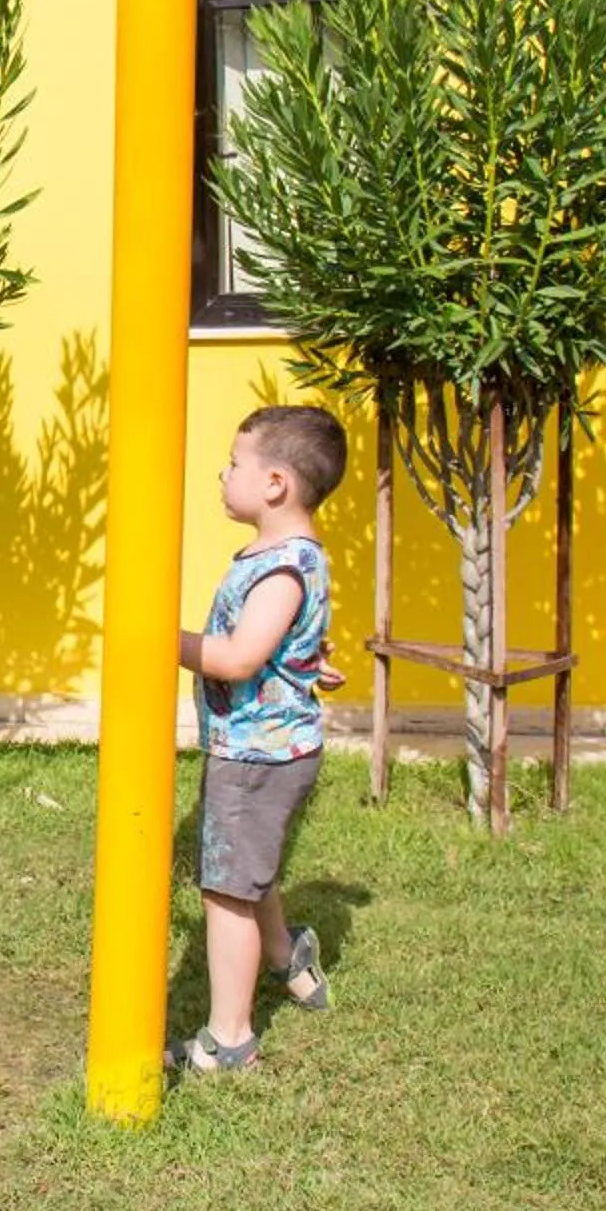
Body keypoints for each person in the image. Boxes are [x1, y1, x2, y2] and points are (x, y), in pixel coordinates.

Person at [171, 403, 347, 1074]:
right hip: (262, 750)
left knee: (226, 891)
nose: (223, 473)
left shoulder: (280, 568)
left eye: (234, 463)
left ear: (275, 483)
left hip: (258, 756)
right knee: (246, 867)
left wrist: (162, 637)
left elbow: (242, 657)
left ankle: (230, 1037)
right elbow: (283, 649)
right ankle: (286, 956)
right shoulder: (283, 556)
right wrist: (309, 665)